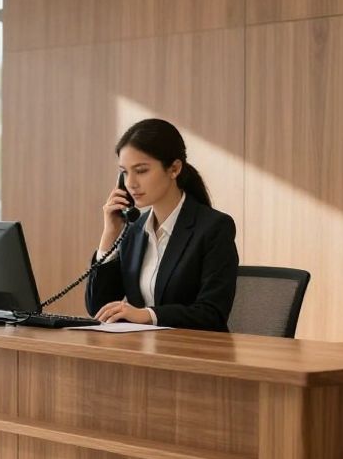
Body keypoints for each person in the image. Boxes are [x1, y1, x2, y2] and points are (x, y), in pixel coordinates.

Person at [86, 118, 238, 331]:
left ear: (174, 169)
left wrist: (147, 315)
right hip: (145, 353)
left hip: (194, 355)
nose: (130, 183)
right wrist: (110, 233)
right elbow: (98, 308)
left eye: (141, 170)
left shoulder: (214, 228)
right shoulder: (133, 231)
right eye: (124, 172)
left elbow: (212, 313)